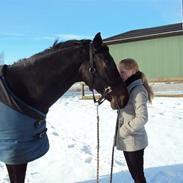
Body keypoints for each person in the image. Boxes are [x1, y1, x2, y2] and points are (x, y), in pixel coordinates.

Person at [114, 58, 154, 183]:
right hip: (128, 140)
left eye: (122, 72)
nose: (120, 75)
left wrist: (124, 131)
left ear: (133, 71)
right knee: (135, 175)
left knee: (138, 177)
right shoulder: (127, 88)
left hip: (134, 141)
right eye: (119, 72)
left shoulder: (138, 90)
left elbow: (142, 118)